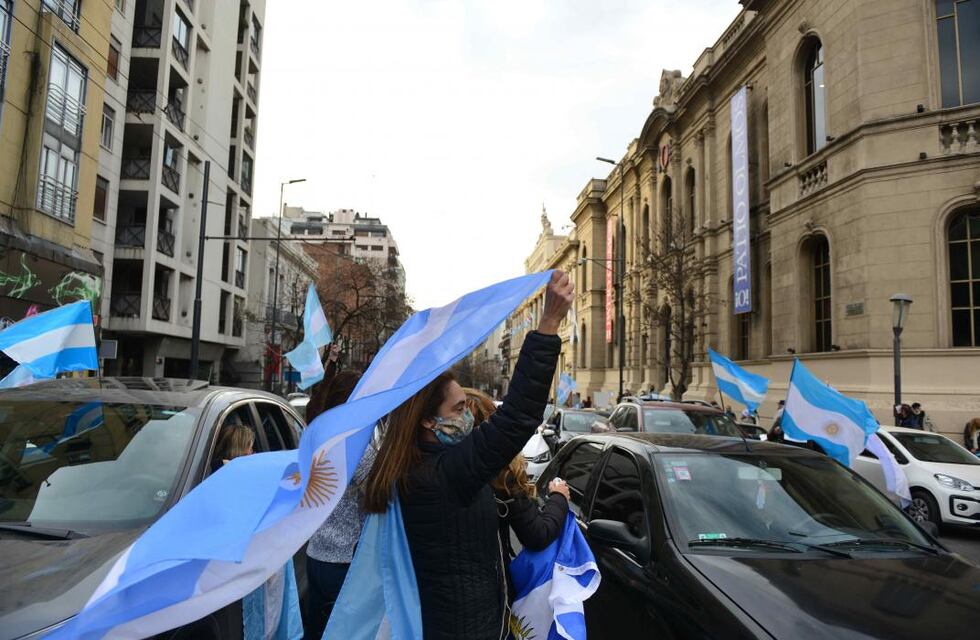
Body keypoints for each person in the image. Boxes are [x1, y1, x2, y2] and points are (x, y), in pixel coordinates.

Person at [362, 270, 573, 640]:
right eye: (459, 409)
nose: (468, 417)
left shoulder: (413, 466)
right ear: (428, 421)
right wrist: (549, 323)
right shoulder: (443, 474)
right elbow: (518, 417)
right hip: (466, 627)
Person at [304, 369, 374, 639]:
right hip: (345, 561)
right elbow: (377, 498)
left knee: (317, 628)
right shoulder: (357, 448)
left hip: (315, 554)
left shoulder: (317, 438)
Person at [465, 388, 570, 561]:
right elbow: (537, 535)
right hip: (491, 577)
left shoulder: (433, 467)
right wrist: (559, 496)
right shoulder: (501, 476)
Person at [306, 343, 342, 423]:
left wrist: (332, 362)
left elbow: (325, 384)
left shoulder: (312, 408)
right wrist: (333, 362)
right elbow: (326, 384)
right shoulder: (328, 411)